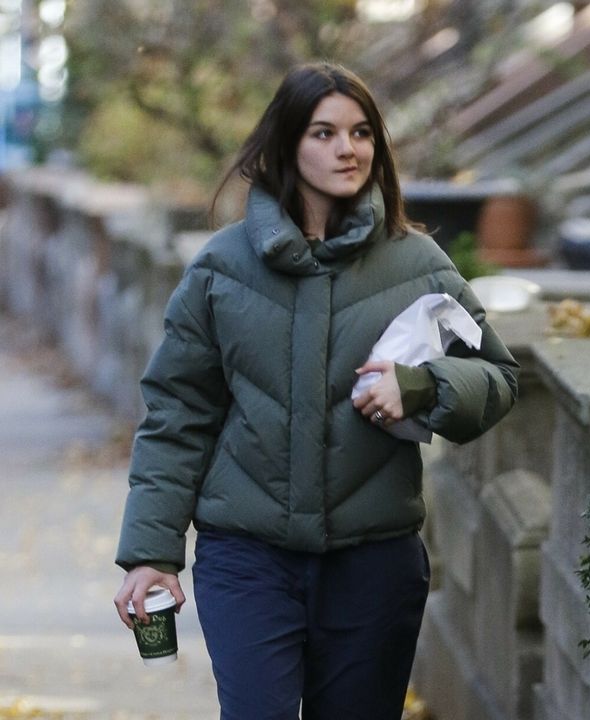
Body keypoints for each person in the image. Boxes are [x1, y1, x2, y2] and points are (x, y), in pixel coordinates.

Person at [112, 62, 518, 718]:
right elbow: (177, 413)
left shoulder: (416, 264)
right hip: (246, 560)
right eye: (324, 133)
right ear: (286, 145)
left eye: (361, 133)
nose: (347, 148)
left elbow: (500, 379)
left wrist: (421, 385)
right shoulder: (221, 269)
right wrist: (150, 552)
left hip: (374, 566)